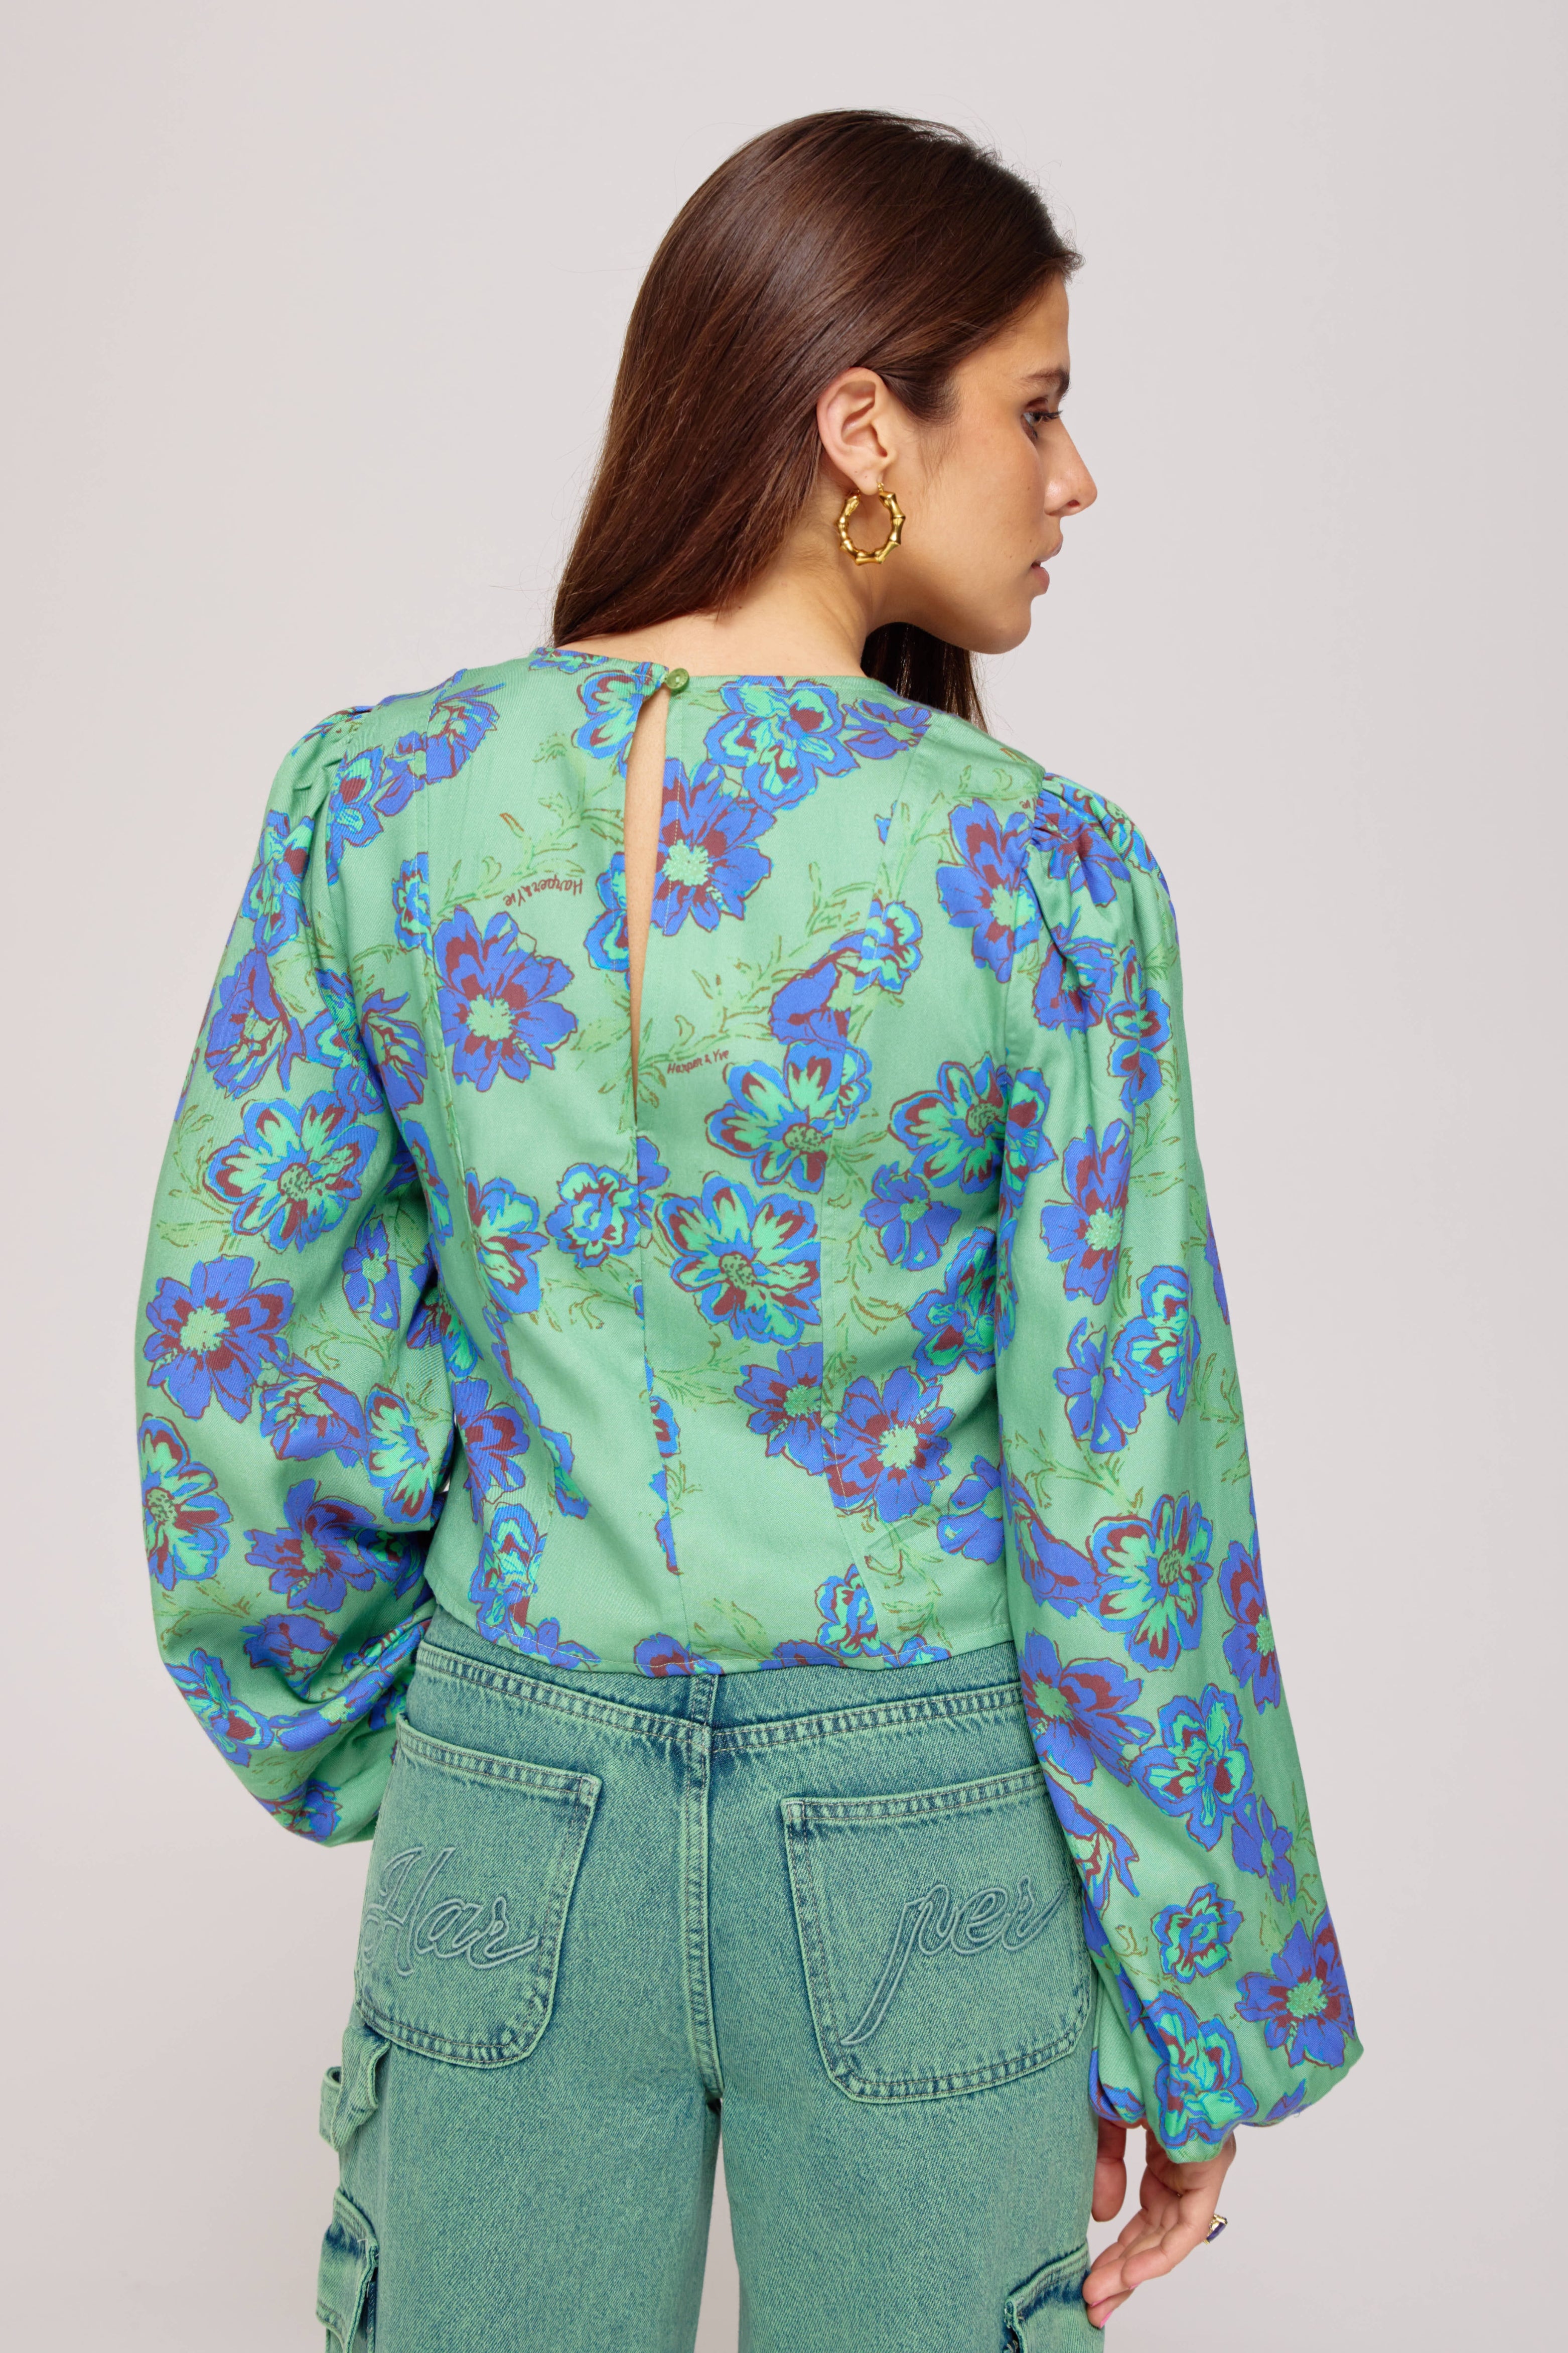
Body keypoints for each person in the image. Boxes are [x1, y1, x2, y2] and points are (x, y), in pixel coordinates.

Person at [133, 107, 1361, 2352]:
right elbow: (1122, 1486)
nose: (1075, 477)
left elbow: (244, 1352)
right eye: (1039, 408)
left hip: (512, 1795)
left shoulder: (379, 803)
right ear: (864, 425)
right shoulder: (1036, 874)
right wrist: (1197, 2004)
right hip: (924, 1843)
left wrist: (418, 1739)